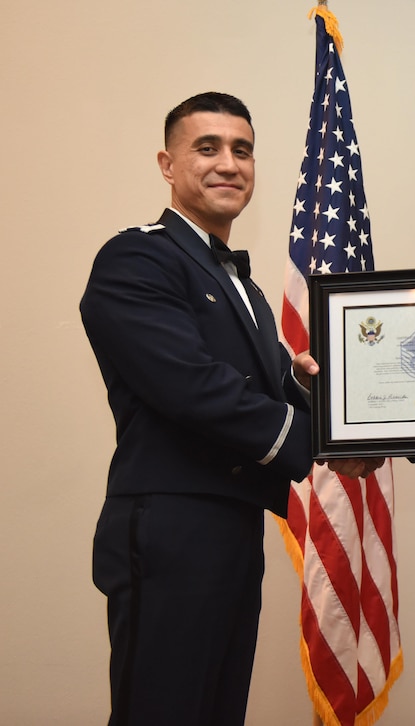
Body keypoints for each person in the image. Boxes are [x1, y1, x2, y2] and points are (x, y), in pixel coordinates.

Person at [80, 92, 382, 726]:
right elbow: (196, 387)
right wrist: (322, 443)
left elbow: (275, 387)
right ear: (167, 164)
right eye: (207, 148)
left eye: (241, 150)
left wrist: (368, 420)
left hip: (231, 526)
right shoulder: (136, 259)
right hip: (171, 527)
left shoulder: (241, 287)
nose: (228, 164)